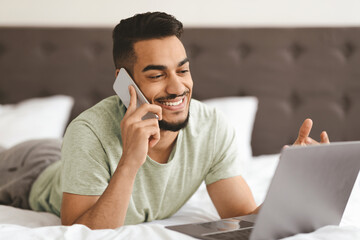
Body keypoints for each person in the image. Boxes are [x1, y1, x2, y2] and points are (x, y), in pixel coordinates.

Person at [0, 12, 330, 230]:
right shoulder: (87, 132)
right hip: (30, 169)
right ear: (125, 82)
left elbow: (243, 218)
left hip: (66, 158)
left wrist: (299, 182)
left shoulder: (212, 127)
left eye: (183, 70)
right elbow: (83, 233)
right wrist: (129, 161)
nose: (177, 87)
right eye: (157, 75)